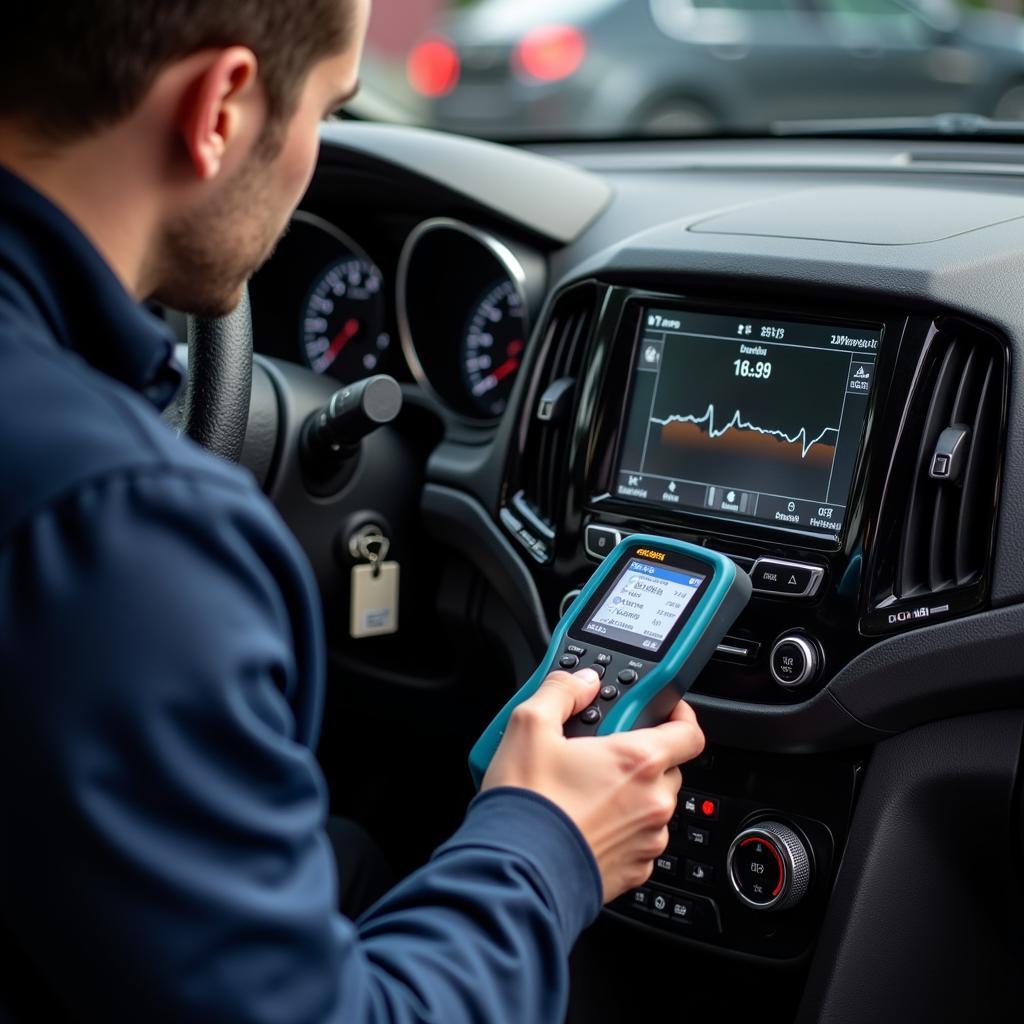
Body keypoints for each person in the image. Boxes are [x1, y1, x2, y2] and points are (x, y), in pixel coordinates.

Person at [0, 1, 706, 1021]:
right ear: (220, 108)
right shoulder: (122, 532)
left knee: (354, 861)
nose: (314, 156)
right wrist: (548, 836)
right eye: (328, 112)